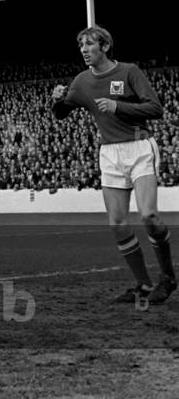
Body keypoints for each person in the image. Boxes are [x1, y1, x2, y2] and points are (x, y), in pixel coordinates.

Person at [52, 25, 174, 305]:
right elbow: (61, 114)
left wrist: (119, 107)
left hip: (139, 146)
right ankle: (143, 285)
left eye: (89, 44)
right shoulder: (81, 81)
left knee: (149, 216)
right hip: (109, 153)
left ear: (105, 47)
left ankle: (167, 278)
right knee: (117, 223)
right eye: (81, 45)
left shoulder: (129, 72)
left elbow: (155, 108)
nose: (84, 50)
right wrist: (56, 100)